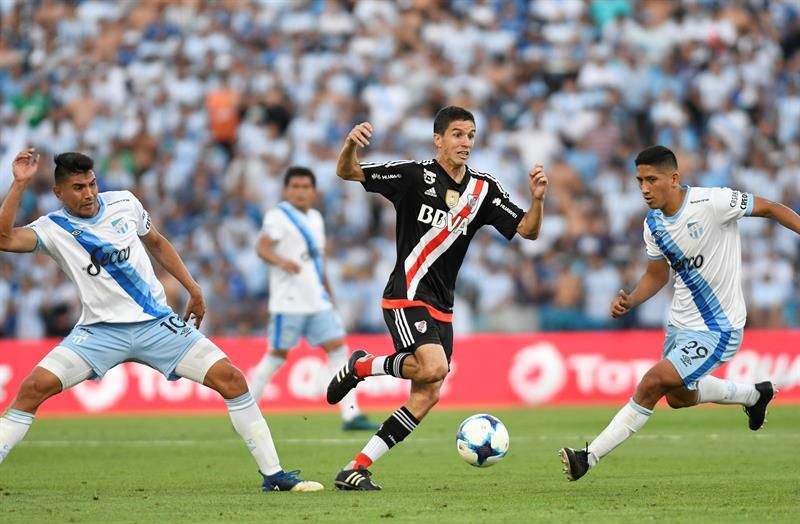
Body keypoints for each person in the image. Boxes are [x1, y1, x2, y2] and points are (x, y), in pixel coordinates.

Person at [0, 150, 323, 493]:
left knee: (232, 379)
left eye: (92, 184)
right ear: (59, 193)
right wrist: (19, 185)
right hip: (99, 332)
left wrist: (192, 287)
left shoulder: (125, 202)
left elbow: (156, 242)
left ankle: (274, 476)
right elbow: (4, 239)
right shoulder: (52, 229)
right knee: (33, 389)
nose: (89, 193)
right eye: (78, 187)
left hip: (157, 324)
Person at [326, 106, 549, 490]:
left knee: (428, 394)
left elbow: (527, 230)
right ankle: (362, 367)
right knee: (433, 367)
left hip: (443, 305)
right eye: (458, 135)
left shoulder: (484, 190)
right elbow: (347, 171)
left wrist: (539, 199)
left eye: (471, 135)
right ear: (439, 139)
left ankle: (356, 467)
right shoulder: (413, 175)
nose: (466, 143)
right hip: (407, 293)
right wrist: (349, 146)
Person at [560, 145, 800, 481]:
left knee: (653, 382)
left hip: (719, 328)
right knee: (678, 398)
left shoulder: (713, 203)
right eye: (639, 180)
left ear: (674, 179)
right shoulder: (654, 224)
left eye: (651, 179)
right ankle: (755, 394)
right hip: (680, 324)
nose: (644, 188)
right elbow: (657, 275)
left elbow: (772, 208)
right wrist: (631, 299)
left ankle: (588, 456)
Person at [250, 166, 379, 431]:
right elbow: (262, 247)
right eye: (295, 187)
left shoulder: (316, 219)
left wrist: (328, 293)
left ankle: (351, 414)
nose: (300, 192)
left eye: (305, 187)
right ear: (286, 190)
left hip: (317, 301)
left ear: (314, 191)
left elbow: (318, 261)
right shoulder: (278, 216)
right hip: (288, 302)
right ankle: (247, 408)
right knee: (276, 355)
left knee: (338, 350)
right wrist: (281, 261)